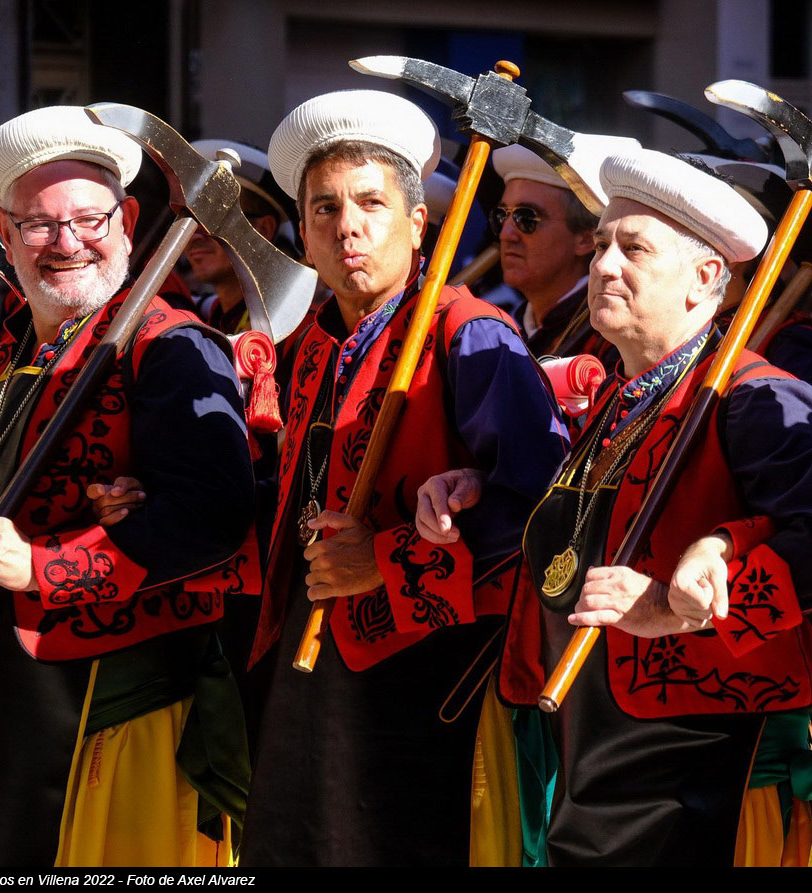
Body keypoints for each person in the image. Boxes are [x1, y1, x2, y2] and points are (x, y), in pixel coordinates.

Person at [419, 148, 812, 865]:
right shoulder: (623, 398)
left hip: (704, 759)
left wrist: (675, 605)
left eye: (635, 249)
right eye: (601, 246)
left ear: (706, 278)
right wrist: (472, 485)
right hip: (594, 747)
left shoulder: (756, 398)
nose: (604, 266)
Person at [0, 105, 256, 867]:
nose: (66, 243)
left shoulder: (172, 348)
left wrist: (42, 564)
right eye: (38, 224)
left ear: (128, 221)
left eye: (89, 219)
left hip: (106, 716)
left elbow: (215, 517)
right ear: (6, 232)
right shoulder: (3, 361)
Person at [237, 90, 568, 866]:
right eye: (324, 208)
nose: (346, 226)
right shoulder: (311, 347)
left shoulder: (468, 333)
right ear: (303, 232)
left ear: (419, 224)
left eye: (370, 203)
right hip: (312, 667)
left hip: (432, 674)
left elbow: (543, 513)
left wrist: (384, 560)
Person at [490, 136, 635, 365]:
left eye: (526, 218)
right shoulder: (505, 326)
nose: (506, 234)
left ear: (586, 239)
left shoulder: (608, 339)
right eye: (502, 216)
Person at [186, 139, 299, 336]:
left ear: (263, 229)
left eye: (214, 217)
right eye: (190, 218)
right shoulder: (210, 319)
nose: (195, 234)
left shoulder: (293, 329)